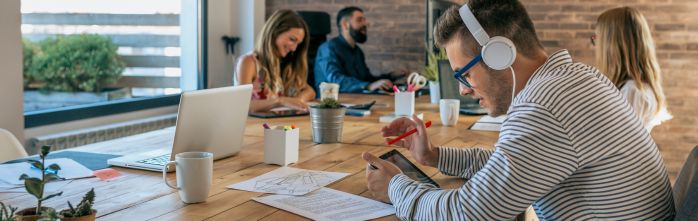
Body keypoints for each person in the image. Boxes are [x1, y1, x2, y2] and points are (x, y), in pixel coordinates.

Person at [362, 1, 675, 220]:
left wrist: (396, 188)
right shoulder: (575, 78)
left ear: (500, 54)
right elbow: (515, 166)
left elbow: (467, 213)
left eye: (464, 74)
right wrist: (436, 157)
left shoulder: (544, 105)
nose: (463, 90)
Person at [595, 7, 671, 132]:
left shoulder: (632, 92)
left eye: (597, 39)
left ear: (611, 45)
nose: (596, 46)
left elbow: (618, 144)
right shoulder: (632, 89)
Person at [235, 10, 315, 112]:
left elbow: (310, 91)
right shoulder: (248, 62)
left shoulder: (283, 63)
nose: (294, 49)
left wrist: (297, 101)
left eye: (298, 44)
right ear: (275, 31)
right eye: (292, 39)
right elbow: (242, 105)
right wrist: (280, 101)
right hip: (254, 125)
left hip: (277, 124)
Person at [314, 6, 407, 93]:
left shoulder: (358, 51)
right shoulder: (328, 48)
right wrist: (368, 86)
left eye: (364, 20)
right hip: (333, 105)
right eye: (359, 20)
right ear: (345, 25)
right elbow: (335, 80)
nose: (366, 23)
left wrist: (391, 76)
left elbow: (366, 79)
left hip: (356, 101)